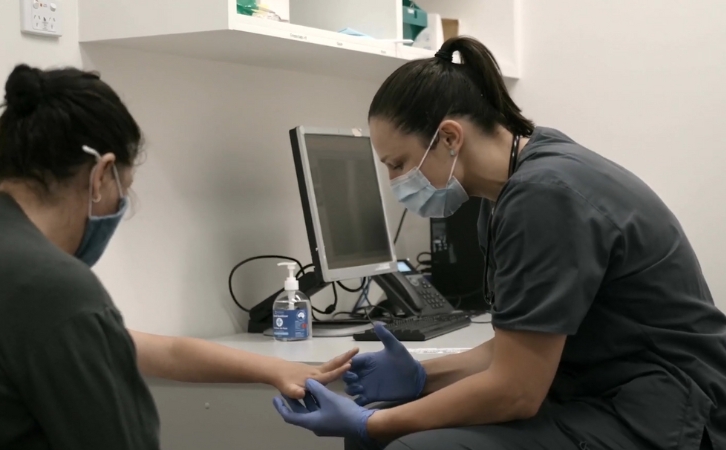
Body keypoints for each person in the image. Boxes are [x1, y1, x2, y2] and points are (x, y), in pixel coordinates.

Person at [272, 36, 726, 450]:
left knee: (402, 443)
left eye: (398, 163)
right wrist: (419, 376)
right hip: (604, 389)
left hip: (666, 412)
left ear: (449, 137)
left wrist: (370, 423)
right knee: (385, 430)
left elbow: (517, 390)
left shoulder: (544, 196)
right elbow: (518, 347)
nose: (394, 181)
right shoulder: (511, 185)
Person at [0, 64, 357, 450]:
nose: (119, 207)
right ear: (100, 176)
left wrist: (271, 369)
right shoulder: (51, 286)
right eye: (123, 191)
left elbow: (145, 348)